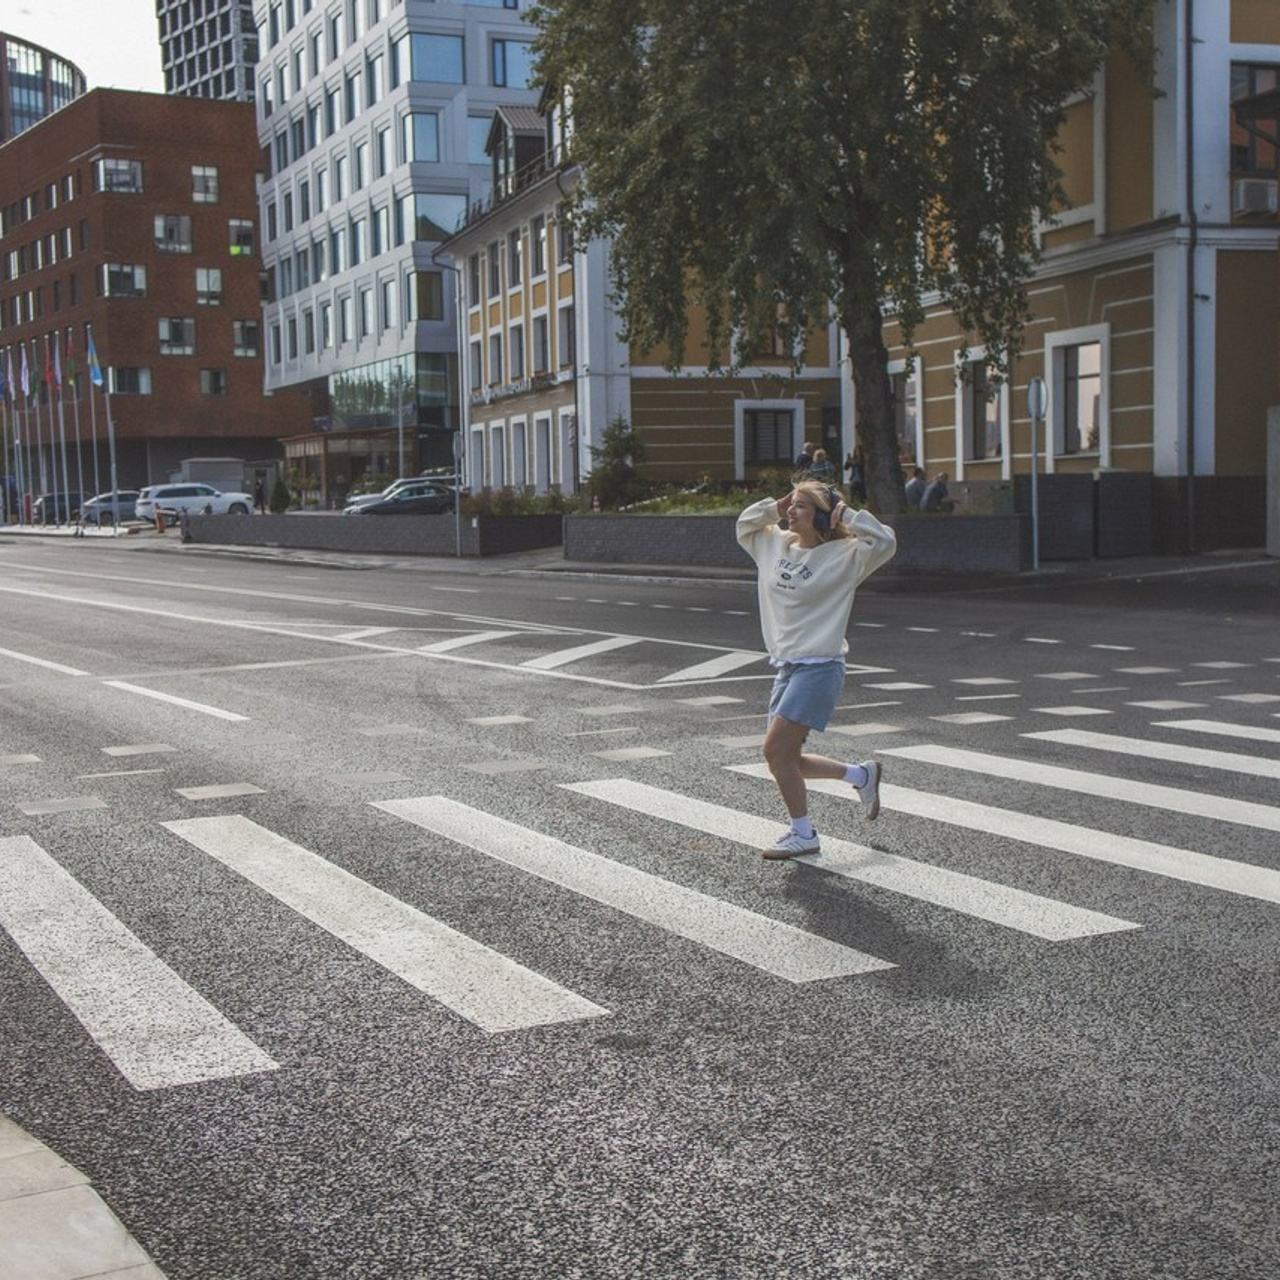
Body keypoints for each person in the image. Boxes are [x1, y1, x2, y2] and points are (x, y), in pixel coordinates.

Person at [736, 480, 897, 860]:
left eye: (802, 507)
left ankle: (803, 833)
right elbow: (744, 525)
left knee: (775, 751)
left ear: (823, 516)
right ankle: (861, 775)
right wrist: (774, 507)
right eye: (791, 505)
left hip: (820, 667)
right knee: (786, 760)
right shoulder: (773, 544)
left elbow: (886, 543)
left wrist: (848, 516)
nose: (792, 511)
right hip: (787, 667)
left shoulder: (846, 555)